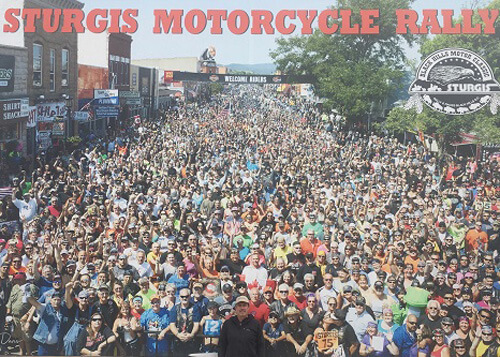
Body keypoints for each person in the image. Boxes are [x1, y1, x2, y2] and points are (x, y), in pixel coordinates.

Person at [169, 287, 201, 356]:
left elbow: (196, 324)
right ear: (179, 297)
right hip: (177, 342)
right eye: (182, 296)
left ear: (189, 296)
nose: (184, 298)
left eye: (186, 296)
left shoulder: (195, 308)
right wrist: (178, 334)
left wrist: (191, 335)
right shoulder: (174, 309)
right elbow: (172, 325)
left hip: (192, 342)